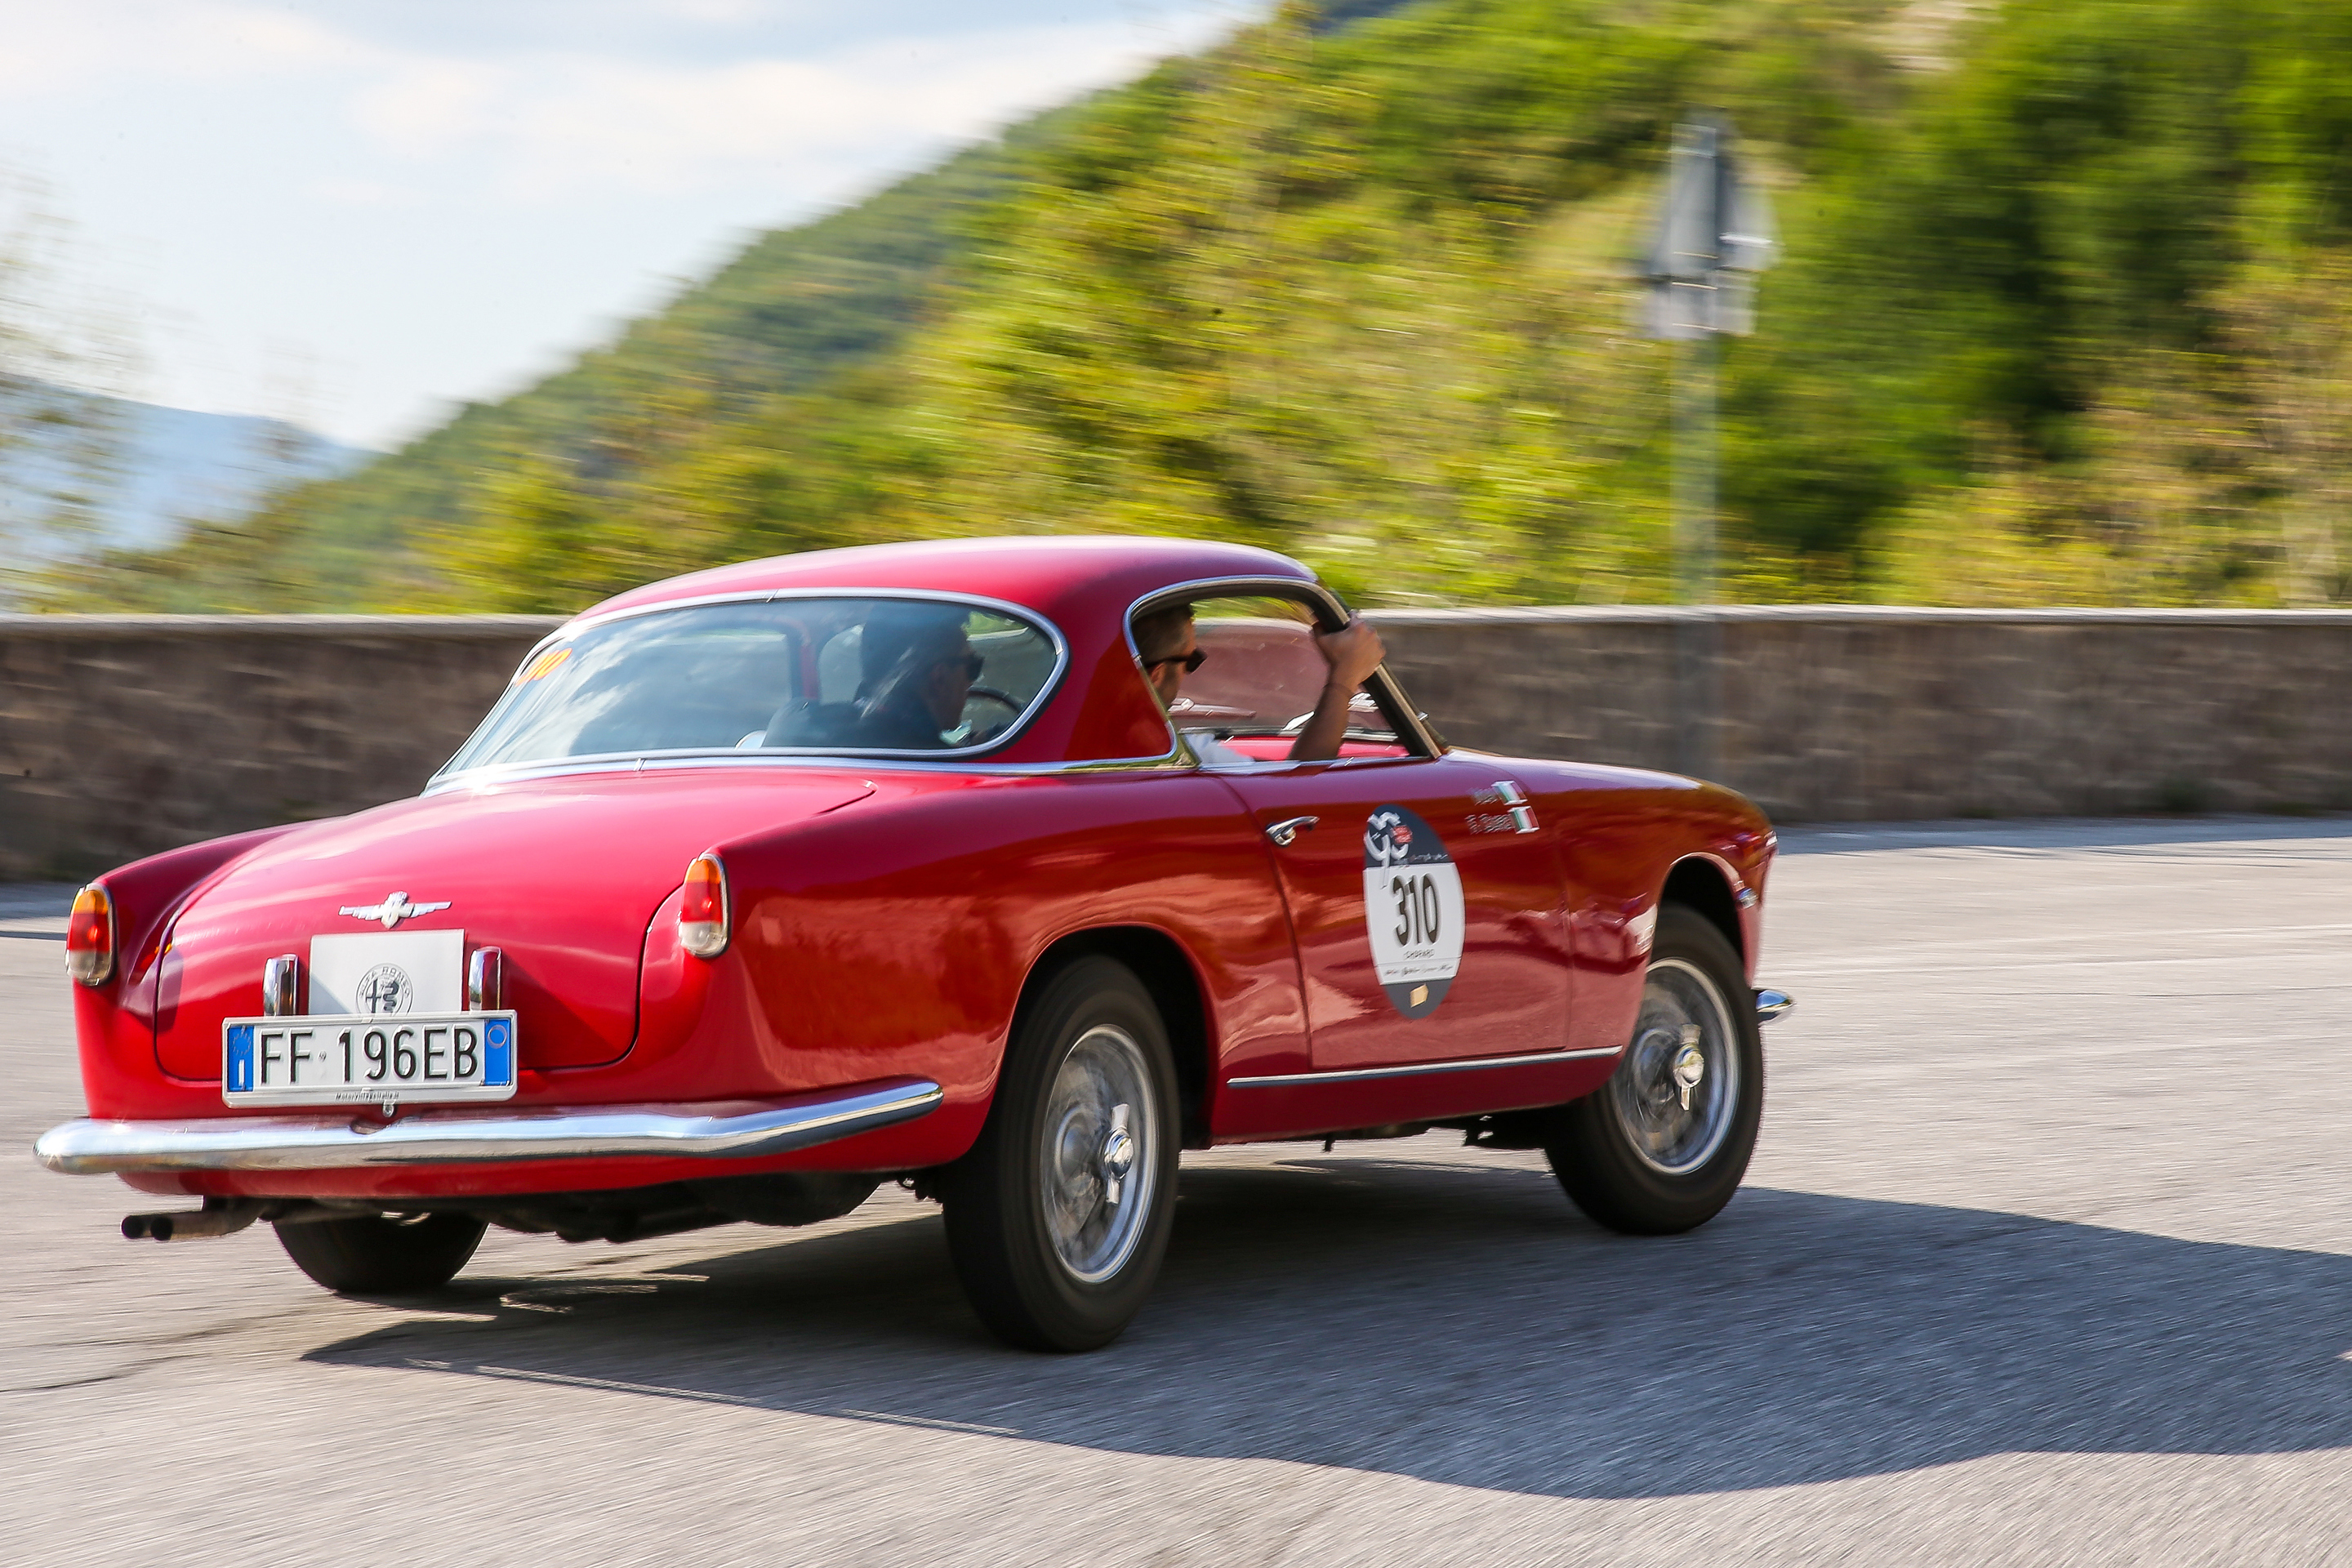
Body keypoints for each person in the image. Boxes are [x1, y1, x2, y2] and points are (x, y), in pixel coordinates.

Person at [1132, 603, 1387, 764]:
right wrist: (1345, 677)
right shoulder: (1176, 754)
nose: (1189, 674)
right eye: (1192, 660)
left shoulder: (1119, 747)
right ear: (1157, 675)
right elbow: (1298, 785)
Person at [849, 604, 980, 749]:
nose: (972, 682)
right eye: (973, 667)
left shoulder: (839, 728)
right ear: (939, 678)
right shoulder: (936, 757)